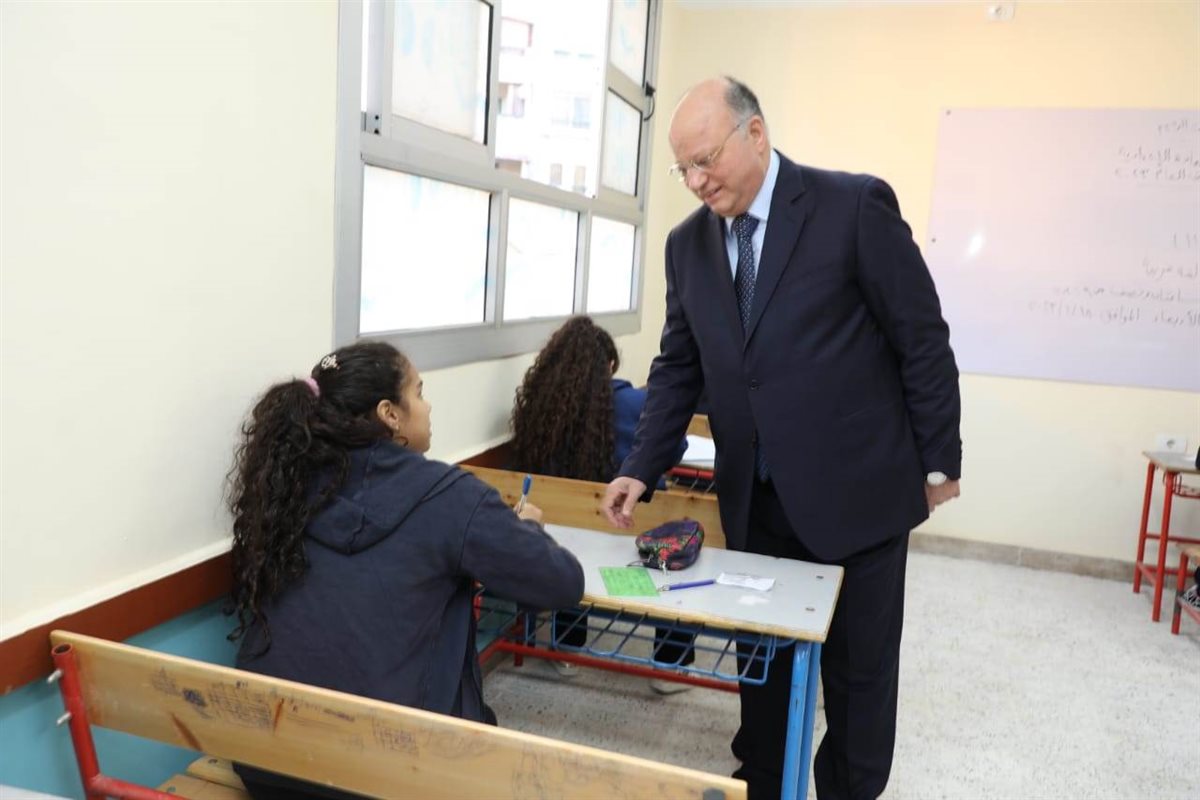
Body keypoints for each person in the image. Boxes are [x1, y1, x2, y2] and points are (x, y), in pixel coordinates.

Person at [602, 77, 962, 800]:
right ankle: (762, 783)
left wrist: (937, 462)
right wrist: (642, 464)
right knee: (760, 663)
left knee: (858, 675)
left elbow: (921, 338)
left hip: (859, 493)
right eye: (684, 169)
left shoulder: (852, 208)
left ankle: (848, 789)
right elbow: (678, 367)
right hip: (756, 498)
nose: (697, 182)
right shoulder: (687, 246)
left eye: (706, 160)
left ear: (756, 134)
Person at [227, 341, 584, 800]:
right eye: (419, 392)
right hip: (388, 777)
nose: (428, 406)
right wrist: (528, 529)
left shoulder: (284, 487)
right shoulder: (449, 496)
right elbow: (562, 583)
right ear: (389, 414)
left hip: (266, 765)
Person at [509, 315, 690, 691]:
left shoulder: (540, 413)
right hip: (635, 532)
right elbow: (674, 450)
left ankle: (566, 648)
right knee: (679, 530)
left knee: (570, 544)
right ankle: (669, 666)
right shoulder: (637, 404)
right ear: (608, 365)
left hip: (565, 535)